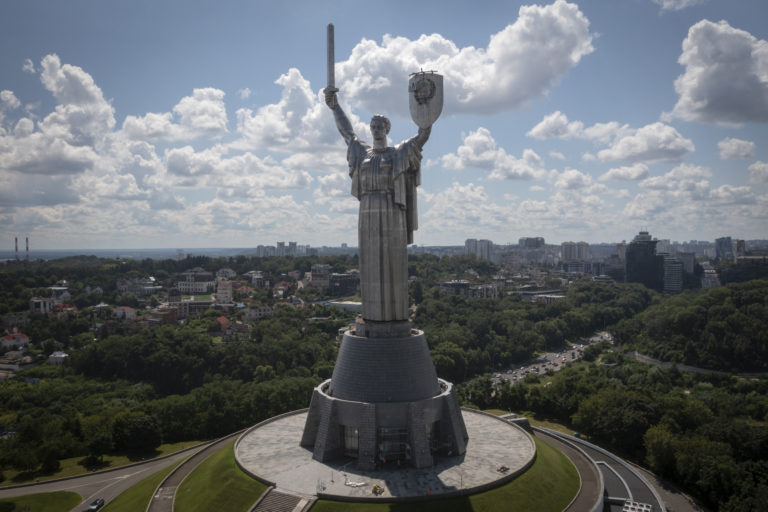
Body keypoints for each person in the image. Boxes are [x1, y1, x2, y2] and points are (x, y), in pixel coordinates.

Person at [325, 88, 431, 323]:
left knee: (393, 260)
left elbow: (421, 137)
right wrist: (335, 107)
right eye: (372, 126)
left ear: (387, 129)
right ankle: (372, 314)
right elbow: (346, 131)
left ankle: (394, 314)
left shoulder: (398, 153)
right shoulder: (362, 152)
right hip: (367, 210)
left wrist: (426, 111)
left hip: (391, 208)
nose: (375, 130)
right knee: (370, 260)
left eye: (379, 126)